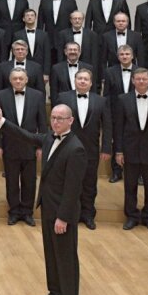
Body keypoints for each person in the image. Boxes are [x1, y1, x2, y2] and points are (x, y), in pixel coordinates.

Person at [0, 103, 87, 295]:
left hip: (62, 212)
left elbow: (73, 188)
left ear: (71, 121)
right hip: (48, 206)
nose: (56, 122)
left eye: (60, 118)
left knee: (66, 258)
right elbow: (27, 136)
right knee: (51, 253)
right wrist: (1, 121)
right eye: (54, 118)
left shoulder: (76, 149)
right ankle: (56, 294)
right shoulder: (49, 138)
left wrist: (63, 217)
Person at [53, 69, 111, 230]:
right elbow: (55, 123)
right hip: (67, 148)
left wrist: (106, 148)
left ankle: (88, 215)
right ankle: (69, 215)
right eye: (80, 78)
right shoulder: (63, 98)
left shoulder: (101, 100)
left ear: (91, 83)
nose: (83, 81)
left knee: (89, 184)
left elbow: (107, 126)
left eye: (86, 79)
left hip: (91, 150)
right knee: (67, 183)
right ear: (75, 80)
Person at [114, 68, 148, 232]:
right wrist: (119, 151)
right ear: (133, 81)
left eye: (144, 79)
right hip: (130, 151)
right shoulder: (122, 99)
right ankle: (131, 216)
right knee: (130, 186)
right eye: (138, 79)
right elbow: (119, 128)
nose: (141, 82)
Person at [0, 68, 47, 226]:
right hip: (9, 146)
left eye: (20, 78)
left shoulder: (37, 96)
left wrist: (41, 146)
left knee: (30, 181)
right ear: (10, 80)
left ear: (26, 80)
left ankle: (27, 212)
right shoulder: (1, 95)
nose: (17, 81)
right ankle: (14, 211)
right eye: (15, 78)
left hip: (30, 146)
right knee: (11, 181)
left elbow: (42, 122)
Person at [102, 44, 137, 184]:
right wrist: (108, 114)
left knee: (136, 142)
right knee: (117, 141)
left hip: (136, 113)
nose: (124, 56)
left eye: (127, 54)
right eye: (122, 54)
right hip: (116, 113)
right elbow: (107, 96)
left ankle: (137, 173)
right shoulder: (110, 71)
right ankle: (117, 172)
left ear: (132, 56)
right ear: (118, 57)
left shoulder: (140, 71)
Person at [55, 10, 103, 78]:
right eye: (75, 18)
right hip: (68, 68)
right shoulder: (62, 34)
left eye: (79, 18)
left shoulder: (92, 35)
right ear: (71, 20)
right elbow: (60, 54)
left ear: (83, 20)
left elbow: (95, 56)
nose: (77, 21)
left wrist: (94, 71)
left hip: (87, 69)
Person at [11, 9, 51, 76]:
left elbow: (47, 54)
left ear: (35, 18)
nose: (30, 17)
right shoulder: (17, 35)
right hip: (22, 70)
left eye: (32, 15)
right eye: (27, 15)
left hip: (40, 69)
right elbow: (14, 53)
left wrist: (46, 73)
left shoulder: (44, 35)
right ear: (23, 19)